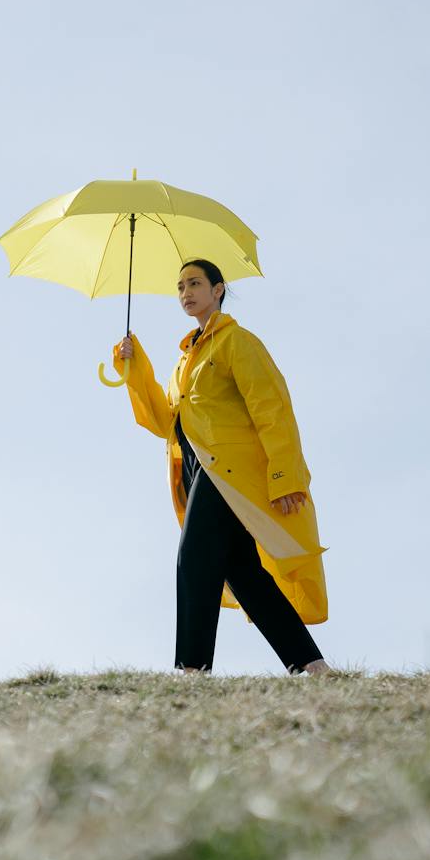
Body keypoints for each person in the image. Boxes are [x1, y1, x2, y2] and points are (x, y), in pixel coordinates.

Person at [113, 259, 333, 676]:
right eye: (180, 286)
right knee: (243, 573)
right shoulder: (185, 361)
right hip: (198, 472)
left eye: (195, 283)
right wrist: (134, 366)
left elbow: (274, 409)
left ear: (218, 289)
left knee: (194, 556)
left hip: (229, 472)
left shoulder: (238, 342)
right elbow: (164, 422)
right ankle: (313, 665)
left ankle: (192, 669)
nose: (186, 293)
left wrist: (283, 475)